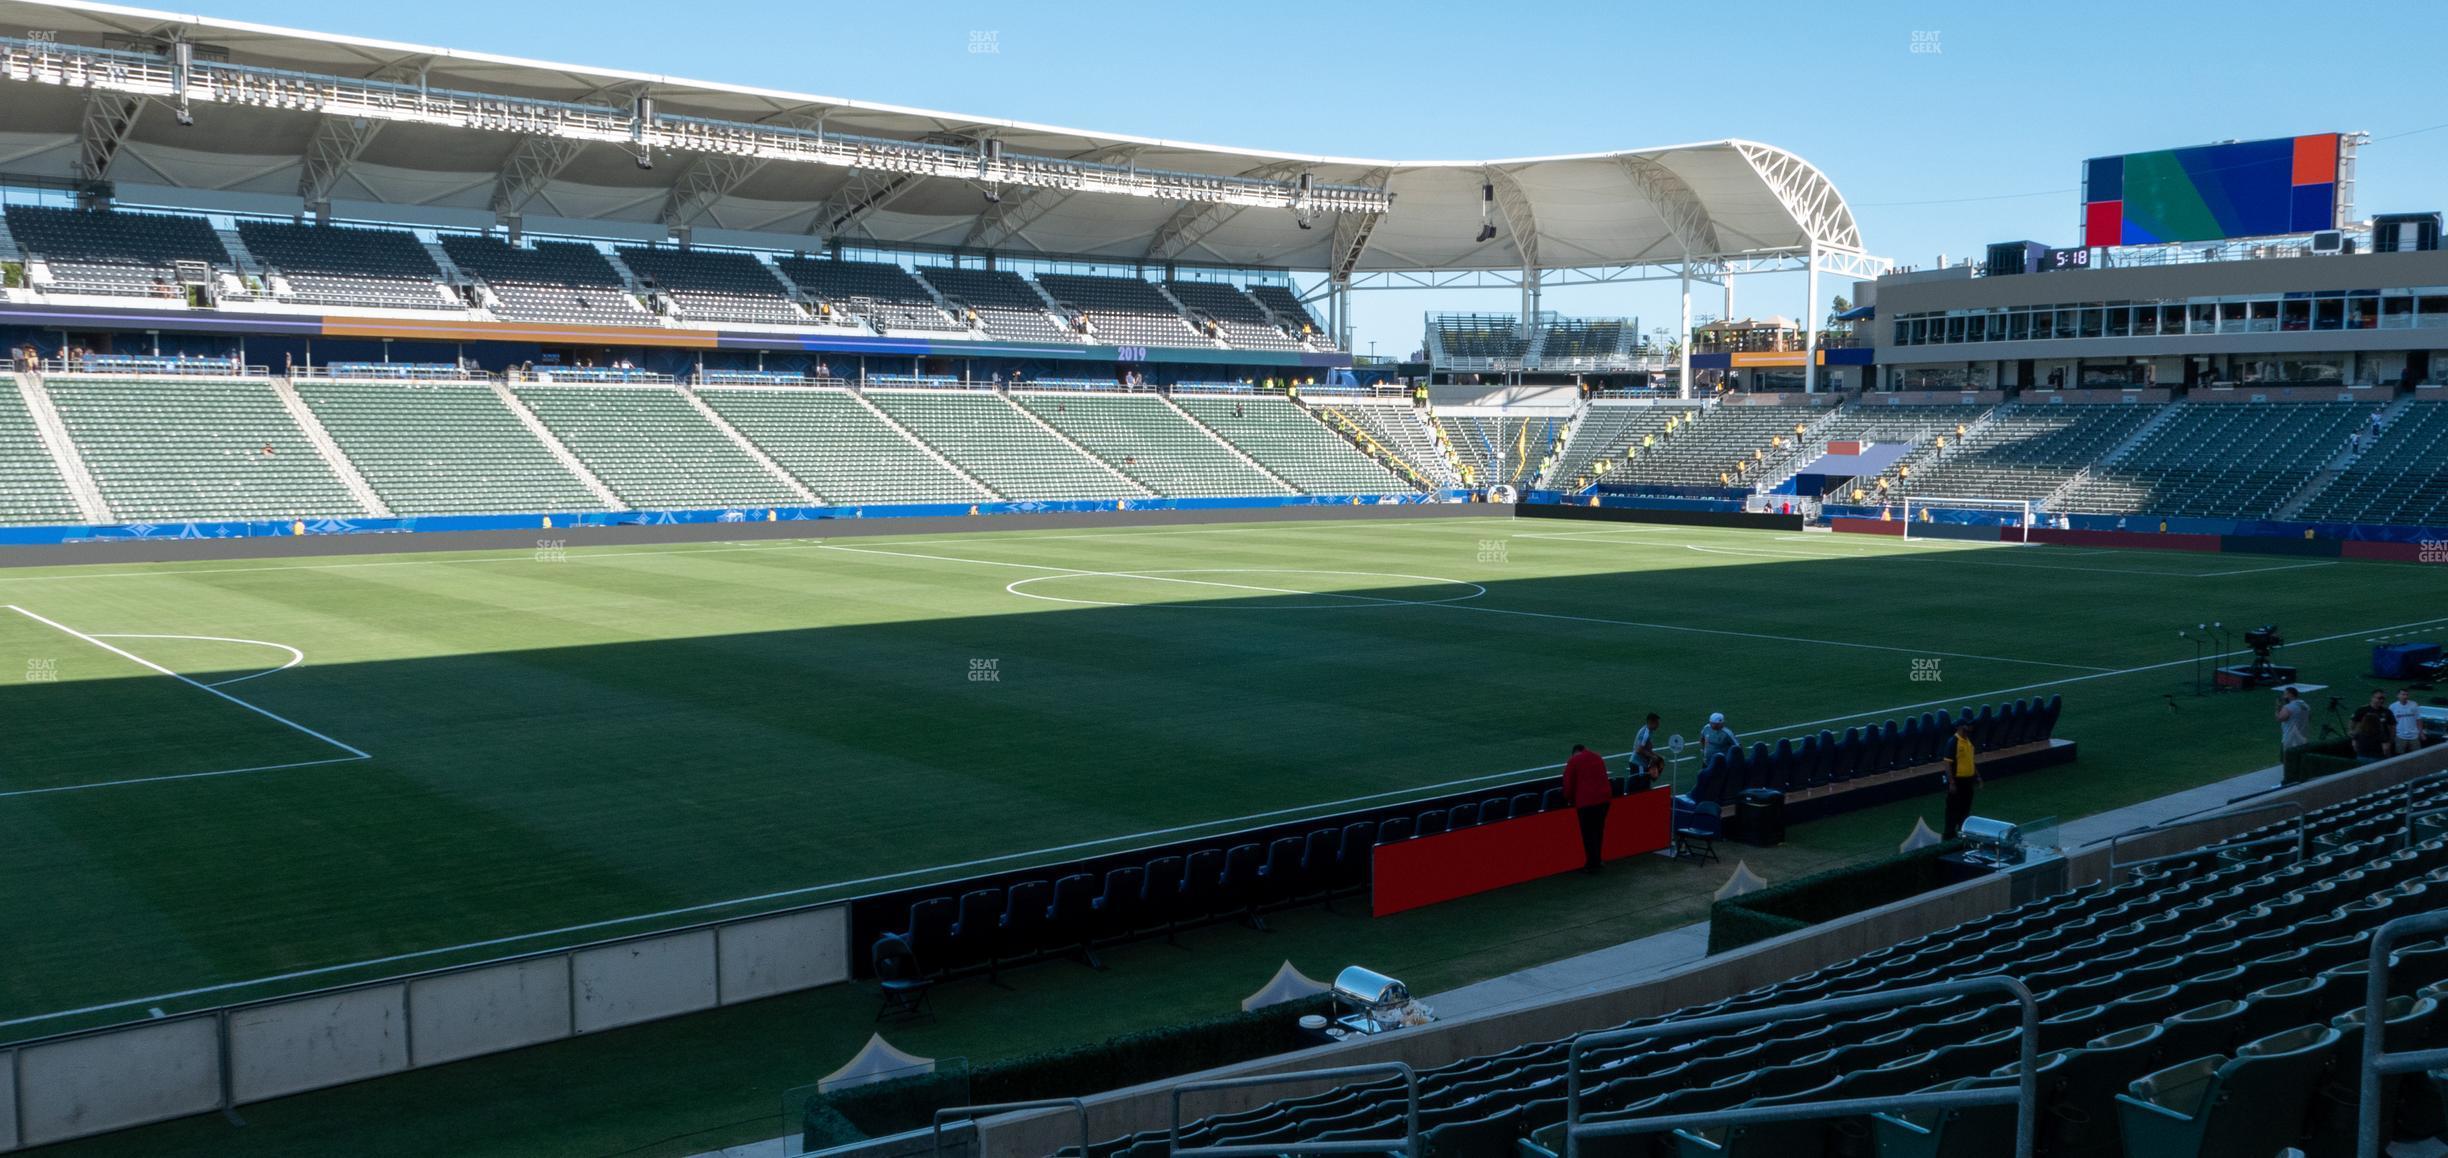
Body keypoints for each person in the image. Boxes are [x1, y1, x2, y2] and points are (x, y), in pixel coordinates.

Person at [1562, 744, 1613, 875]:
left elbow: (1568, 784)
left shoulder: (1574, 761)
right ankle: (1597, 860)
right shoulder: (1597, 757)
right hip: (1604, 800)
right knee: (1598, 830)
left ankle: (1591, 863)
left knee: (1588, 834)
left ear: (1574, 753)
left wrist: (1569, 798)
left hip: (1587, 802)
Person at [1943, 721, 1980, 839]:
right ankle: (1949, 835)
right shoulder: (1953, 742)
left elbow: (1970, 760)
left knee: (1965, 808)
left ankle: (1962, 832)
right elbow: (1947, 764)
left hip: (1968, 781)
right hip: (1957, 781)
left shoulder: (1969, 741)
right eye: (1967, 725)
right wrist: (1952, 783)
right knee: (1953, 809)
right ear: (1960, 727)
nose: (1969, 727)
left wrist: (1978, 776)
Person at [2352, 692, 2393, 763]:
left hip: (2362, 756)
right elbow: (2385, 749)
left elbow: (2354, 745)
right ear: (2372, 698)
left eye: (2383, 698)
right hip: (2377, 757)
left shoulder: (2387, 711)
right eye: (2379, 698)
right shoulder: (2362, 710)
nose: (2382, 700)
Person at [2276, 687, 2311, 755]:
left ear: (2290, 695)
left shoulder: (2288, 707)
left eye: (2285, 694)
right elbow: (2309, 718)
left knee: (2288, 762)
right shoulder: (2305, 706)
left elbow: (2279, 718)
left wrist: (2278, 707)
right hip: (2303, 737)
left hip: (2290, 739)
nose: (2283, 696)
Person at [2395, 689, 2426, 755]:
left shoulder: (2414, 704)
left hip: (2414, 736)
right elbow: (2391, 723)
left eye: (2407, 694)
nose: (2405, 696)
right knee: (2399, 756)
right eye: (2403, 694)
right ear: (2398, 695)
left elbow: (2419, 719)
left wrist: (2421, 733)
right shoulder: (2392, 707)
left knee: (2417, 755)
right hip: (2400, 736)